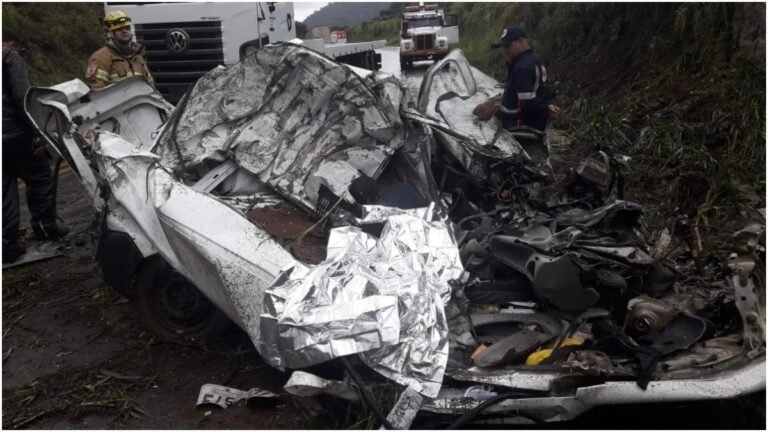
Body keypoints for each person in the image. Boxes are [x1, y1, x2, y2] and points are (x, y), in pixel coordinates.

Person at [3, 30, 69, 263]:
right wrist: (38, 135)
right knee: (40, 176)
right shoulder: (9, 58)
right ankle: (45, 226)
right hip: (14, 134)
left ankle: (6, 245)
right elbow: (23, 98)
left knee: (5, 187)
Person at [474, 25, 559, 161]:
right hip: (531, 121)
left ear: (521, 41)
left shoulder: (522, 68)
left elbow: (529, 105)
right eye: (504, 47)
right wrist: (548, 105)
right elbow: (540, 90)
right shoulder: (533, 58)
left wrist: (496, 110)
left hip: (522, 126)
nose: (505, 51)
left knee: (479, 140)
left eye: (508, 46)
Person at [85, 11, 154, 91]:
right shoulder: (100, 58)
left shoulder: (138, 57)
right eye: (119, 29)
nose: (124, 31)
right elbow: (97, 92)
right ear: (110, 33)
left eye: (127, 28)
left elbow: (151, 88)